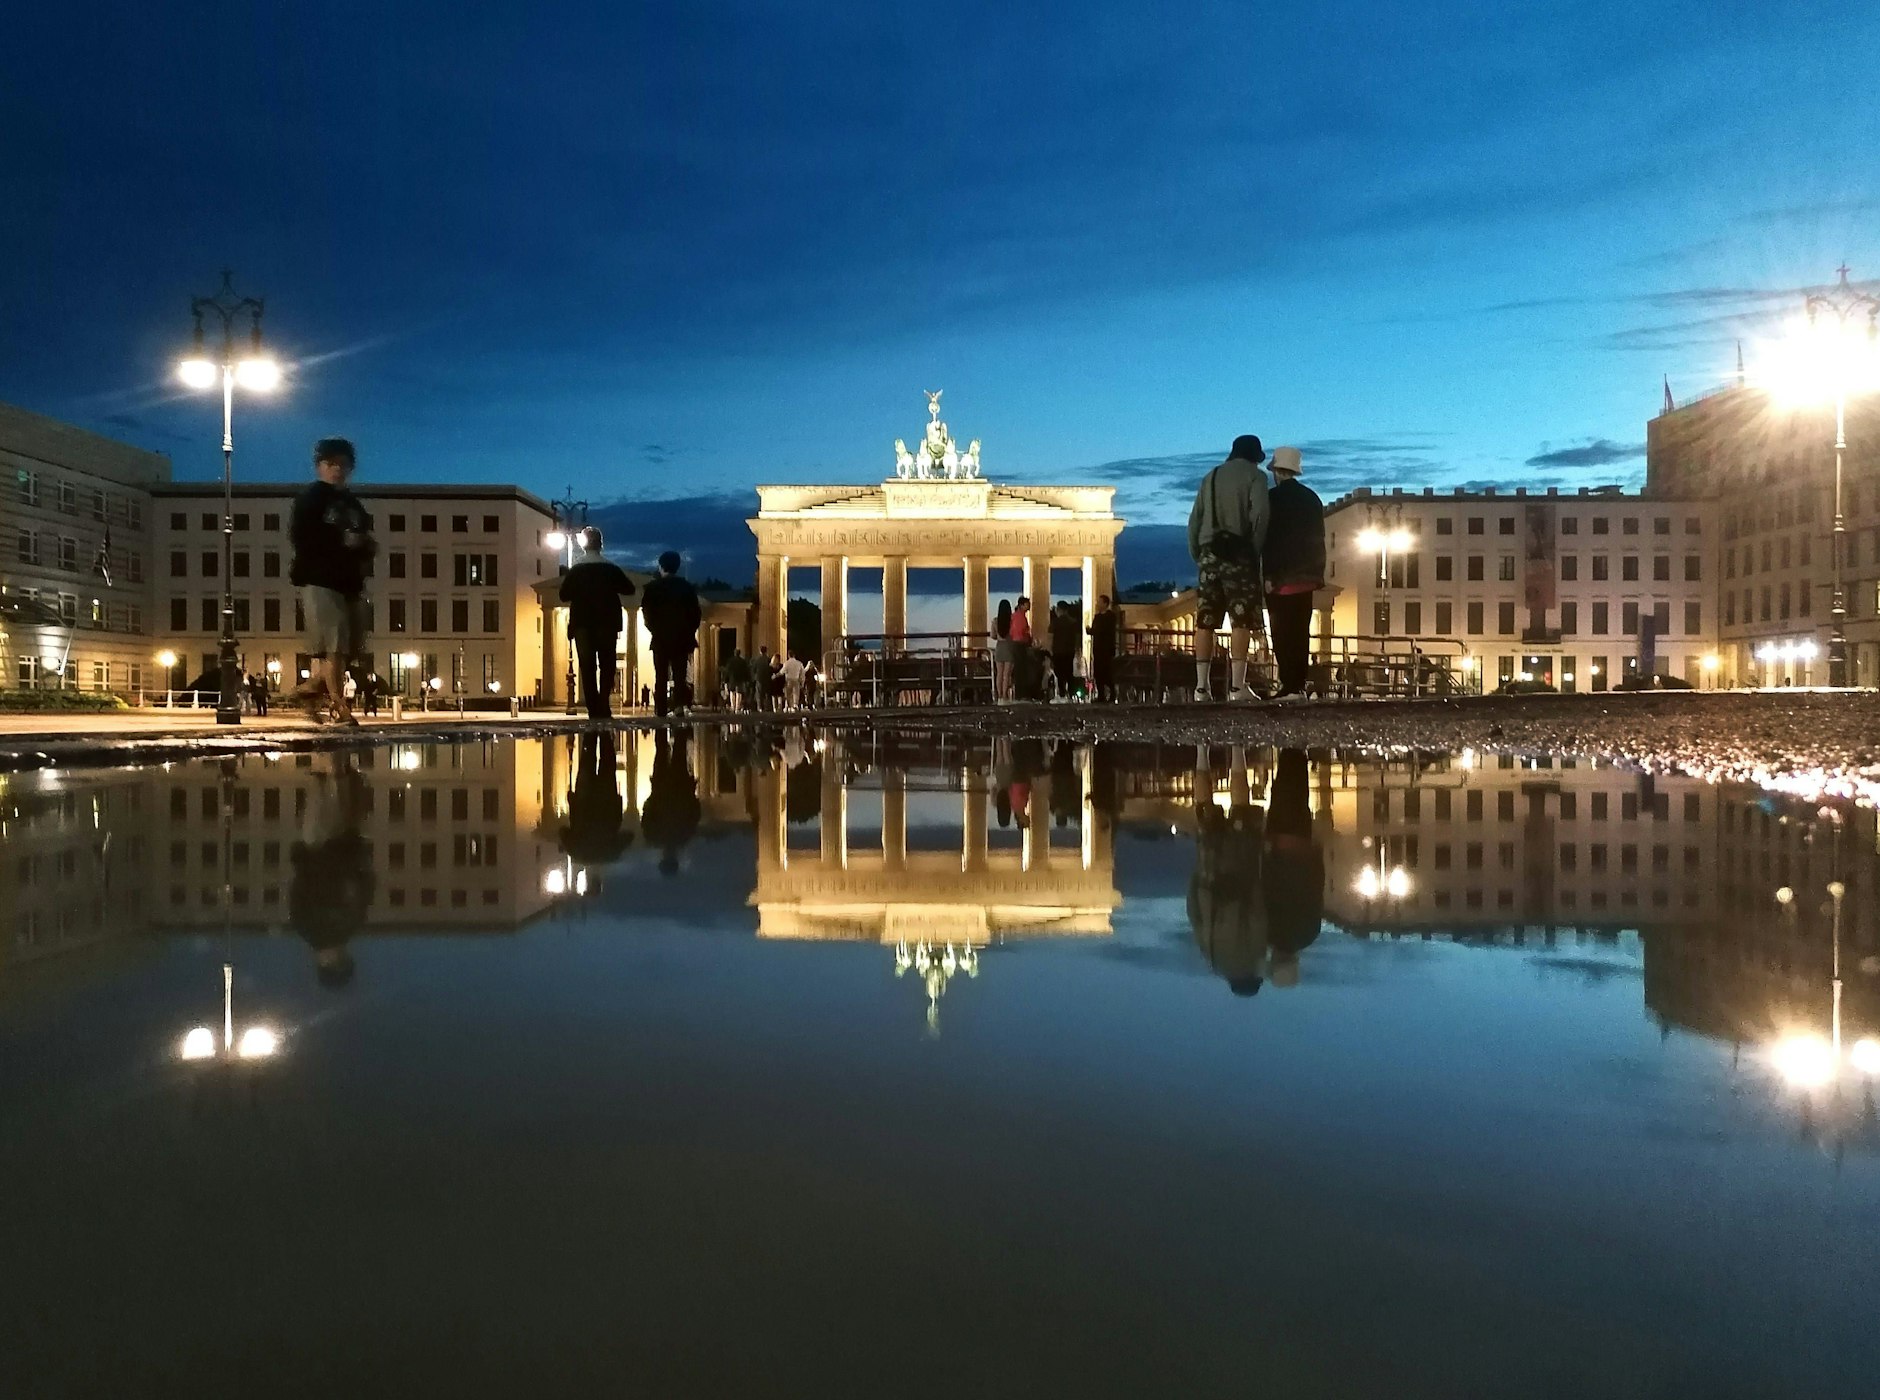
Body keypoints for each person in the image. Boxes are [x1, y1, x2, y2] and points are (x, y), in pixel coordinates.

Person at [287, 438, 375, 726]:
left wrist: (365, 546)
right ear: (319, 466)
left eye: (342, 464)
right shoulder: (311, 498)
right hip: (320, 578)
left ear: (350, 468)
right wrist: (341, 542)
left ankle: (311, 687)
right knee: (335, 645)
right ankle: (339, 705)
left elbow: (364, 539)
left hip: (350, 582)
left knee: (352, 646)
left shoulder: (353, 505)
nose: (337, 469)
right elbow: (301, 537)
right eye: (331, 463)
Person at [1187, 434, 1271, 703]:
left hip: (1209, 554)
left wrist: (1200, 554)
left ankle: (1201, 688)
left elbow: (1194, 520)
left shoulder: (1210, 477)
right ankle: (1237, 687)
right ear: (1255, 457)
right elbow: (1260, 514)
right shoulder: (1256, 477)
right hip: (1239, 555)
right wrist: (1253, 550)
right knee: (1240, 619)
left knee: (1205, 621)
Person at [1186, 747, 1268, 995]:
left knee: (1241, 811)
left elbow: (1256, 918)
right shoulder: (1211, 958)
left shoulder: (1252, 955)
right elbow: (1194, 914)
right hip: (1208, 876)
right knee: (1205, 811)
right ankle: (1201, 751)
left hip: (1240, 873)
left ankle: (1237, 749)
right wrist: (1196, 879)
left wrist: (1258, 883)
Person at [289, 751, 374, 987]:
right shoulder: (312, 929)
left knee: (335, 791)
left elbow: (363, 888)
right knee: (330, 790)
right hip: (326, 850)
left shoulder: (332, 928)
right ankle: (331, 750)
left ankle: (332, 749)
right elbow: (299, 889)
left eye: (340, 961)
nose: (343, 955)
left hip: (334, 850)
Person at [1263, 446, 1325, 701]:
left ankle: (1288, 685)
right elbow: (1318, 538)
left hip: (1282, 578)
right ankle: (1299, 685)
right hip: (1308, 577)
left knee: (1282, 633)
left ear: (1277, 471)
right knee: (1301, 632)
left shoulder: (1272, 499)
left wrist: (1269, 575)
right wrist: (1317, 573)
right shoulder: (1312, 498)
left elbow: (1272, 540)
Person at [557, 526, 637, 721]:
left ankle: (593, 707)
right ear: (601, 545)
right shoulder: (610, 569)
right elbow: (629, 589)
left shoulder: (576, 570)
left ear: (583, 545)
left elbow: (563, 595)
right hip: (607, 623)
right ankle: (604, 704)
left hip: (582, 623)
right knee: (607, 664)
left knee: (587, 665)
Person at [1263, 747, 1324, 987]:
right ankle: (1288, 753)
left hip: (1302, 851)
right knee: (1280, 798)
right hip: (1278, 851)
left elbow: (1315, 890)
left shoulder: (1309, 935)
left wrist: (1316, 858)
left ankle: (1298, 754)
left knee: (1299, 801)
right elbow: (1266, 889)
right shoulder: (1269, 933)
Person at [639, 550, 703, 718]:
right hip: (681, 638)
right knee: (679, 675)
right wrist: (689, 632)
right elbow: (695, 614)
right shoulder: (687, 587)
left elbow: (647, 614)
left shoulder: (652, 588)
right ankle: (679, 706)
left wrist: (655, 630)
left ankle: (660, 709)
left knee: (660, 675)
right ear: (677, 567)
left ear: (661, 567)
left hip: (660, 638)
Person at [640, 729, 702, 876]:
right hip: (662, 789)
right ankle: (662, 724)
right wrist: (653, 798)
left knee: (678, 751)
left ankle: (677, 724)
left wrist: (690, 795)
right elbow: (647, 814)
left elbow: (695, 813)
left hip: (679, 788)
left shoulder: (684, 837)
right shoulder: (654, 837)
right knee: (661, 751)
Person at [1088, 593, 1120, 703]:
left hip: (1106, 649)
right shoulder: (1097, 617)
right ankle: (1101, 695)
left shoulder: (1111, 616)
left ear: (1105, 604)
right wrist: (1090, 630)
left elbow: (1105, 631)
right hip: (1097, 648)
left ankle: (1112, 693)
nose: (1097, 604)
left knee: (1106, 672)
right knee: (1097, 673)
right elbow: (1095, 630)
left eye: (1100, 602)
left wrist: (1095, 631)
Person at [1048, 600, 1080, 700]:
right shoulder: (1073, 622)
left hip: (1058, 651)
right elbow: (1077, 637)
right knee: (1069, 672)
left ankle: (1062, 693)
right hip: (1069, 651)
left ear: (1059, 610)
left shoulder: (1055, 622)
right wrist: (1077, 649)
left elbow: (1050, 637)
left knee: (1059, 673)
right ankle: (1071, 693)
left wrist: (1050, 650)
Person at [993, 599, 1015, 703]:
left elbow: (992, 635)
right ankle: (1005, 696)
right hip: (1009, 647)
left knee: (999, 674)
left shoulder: (995, 621)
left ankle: (999, 696)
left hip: (999, 647)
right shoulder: (1012, 621)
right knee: (1007, 675)